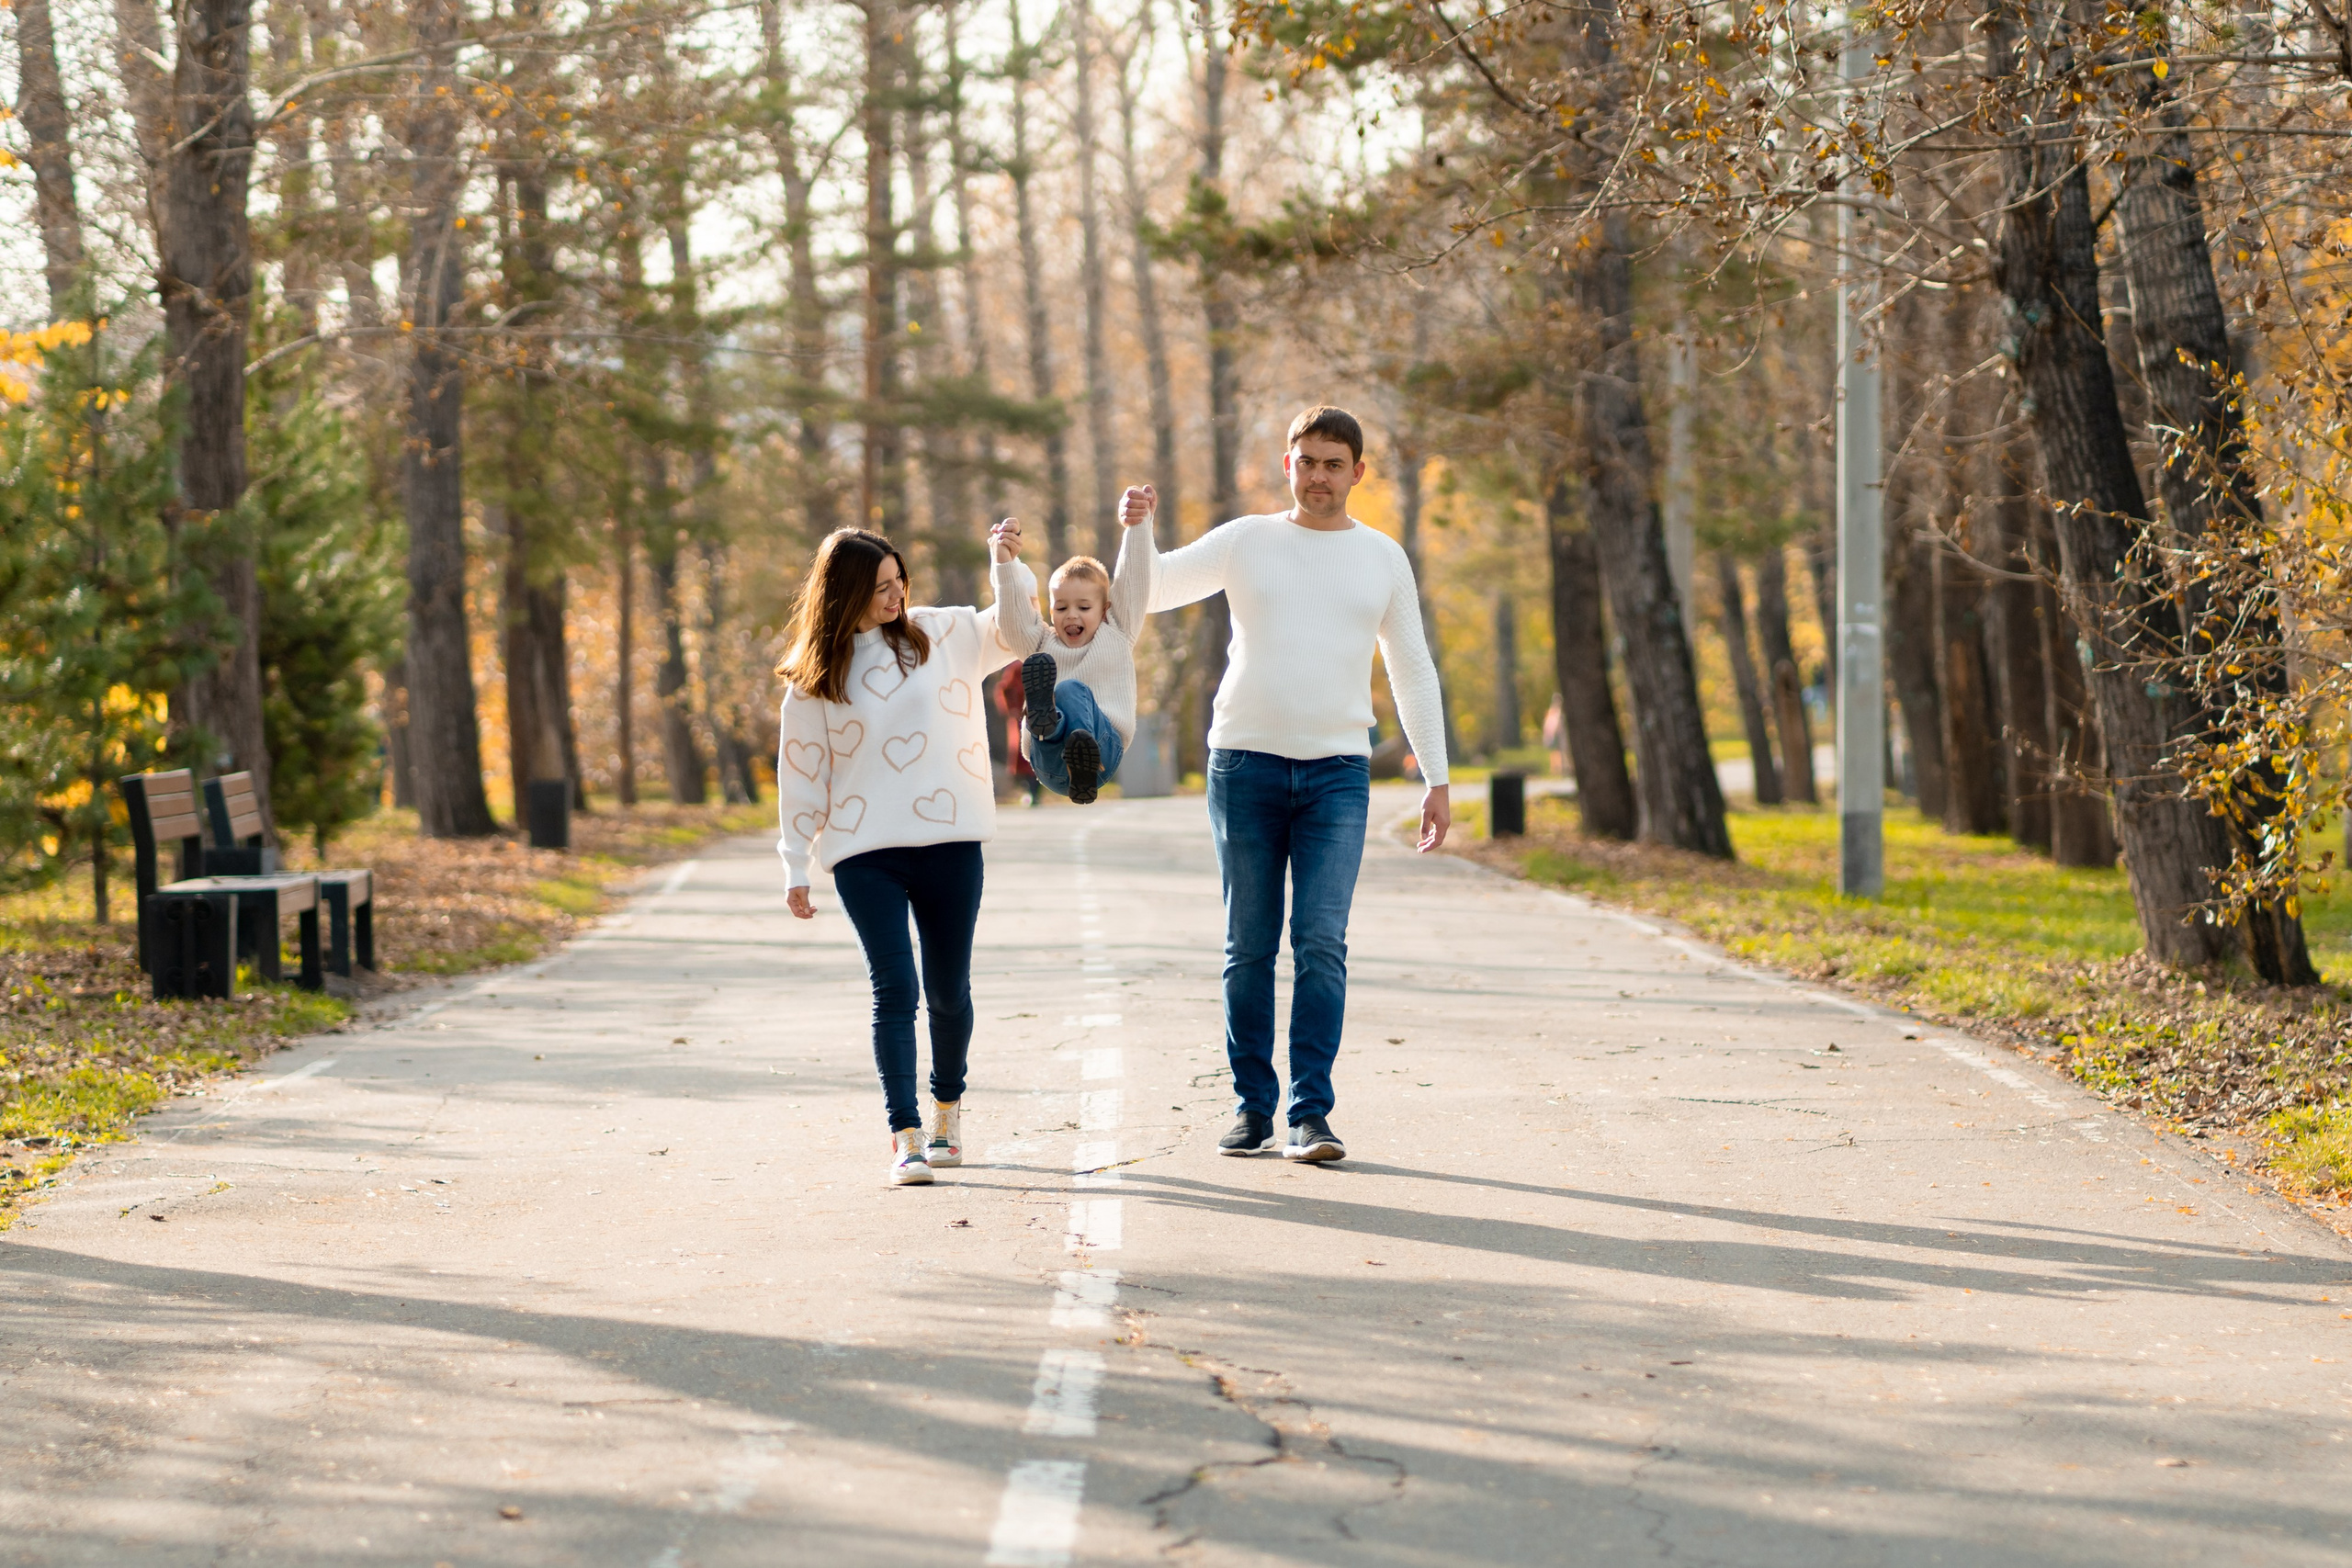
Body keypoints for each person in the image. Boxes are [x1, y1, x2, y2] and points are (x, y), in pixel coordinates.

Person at [1139, 405, 1451, 1163]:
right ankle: (1253, 1107)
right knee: (1248, 944)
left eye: (1333, 463)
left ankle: (1311, 1113)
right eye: (1306, 461)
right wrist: (1136, 531)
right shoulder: (1249, 541)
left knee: (1320, 941)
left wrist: (1436, 777)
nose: (1318, 476)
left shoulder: (1382, 558)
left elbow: (1410, 666)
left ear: (1357, 473)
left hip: (1339, 774)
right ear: (1289, 464)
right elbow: (1151, 589)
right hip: (1243, 765)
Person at [775, 525, 1026, 1186]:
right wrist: (795, 863)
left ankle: (948, 1110)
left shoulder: (943, 634)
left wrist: (1003, 564)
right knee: (896, 990)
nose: (896, 595)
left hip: (951, 843)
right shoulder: (814, 678)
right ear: (848, 592)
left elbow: (1019, 629)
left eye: (899, 581)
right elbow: (801, 776)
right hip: (865, 854)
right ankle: (905, 1134)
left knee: (948, 992)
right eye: (881, 586)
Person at [992, 513, 1154, 805]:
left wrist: (1138, 526)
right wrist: (1005, 561)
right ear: (1051, 610)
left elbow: (1135, 581)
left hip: (1102, 753)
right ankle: (1049, 724)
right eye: (1061, 607)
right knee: (1057, 690)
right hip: (1048, 762)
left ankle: (1077, 749)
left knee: (1069, 689)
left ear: (1105, 610)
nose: (1071, 615)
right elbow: (1012, 619)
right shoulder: (1041, 643)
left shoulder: (1117, 633)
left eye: (1083, 606)